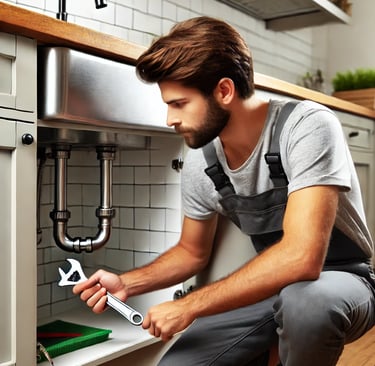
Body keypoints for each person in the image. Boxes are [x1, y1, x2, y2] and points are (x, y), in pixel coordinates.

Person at [73, 16, 375, 366]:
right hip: (271, 287)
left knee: (308, 305)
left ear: (224, 91)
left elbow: (301, 257)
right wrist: (127, 284)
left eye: (179, 103)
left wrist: (187, 306)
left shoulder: (306, 127)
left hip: (341, 280)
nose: (169, 119)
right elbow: (191, 252)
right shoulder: (203, 161)